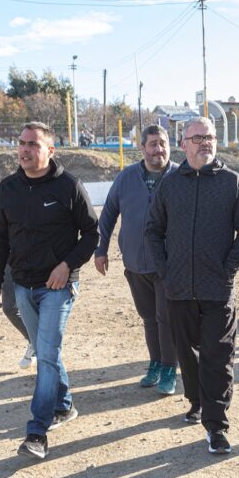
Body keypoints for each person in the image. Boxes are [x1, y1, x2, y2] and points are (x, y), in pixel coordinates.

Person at [145, 116, 239, 455]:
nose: (204, 142)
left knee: (218, 356)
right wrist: (166, 270)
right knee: (187, 352)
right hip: (177, 289)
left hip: (218, 289)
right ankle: (196, 400)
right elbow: (153, 230)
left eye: (209, 137)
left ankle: (217, 424)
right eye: (197, 138)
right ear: (184, 144)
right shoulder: (170, 184)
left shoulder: (232, 183)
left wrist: (228, 270)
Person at [0, 121, 99, 460]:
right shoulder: (8, 187)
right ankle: (64, 405)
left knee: (46, 355)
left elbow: (92, 234)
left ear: (50, 151)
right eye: (21, 143)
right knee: (45, 351)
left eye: (33, 144)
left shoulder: (69, 186)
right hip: (23, 285)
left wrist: (67, 266)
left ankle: (37, 432)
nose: (24, 149)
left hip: (59, 288)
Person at [95, 125, 180, 394]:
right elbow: (109, 213)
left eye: (163, 143)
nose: (159, 149)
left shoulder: (181, 176)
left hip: (169, 265)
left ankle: (169, 368)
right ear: (142, 148)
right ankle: (155, 363)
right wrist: (101, 249)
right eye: (153, 144)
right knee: (148, 317)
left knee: (166, 317)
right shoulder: (126, 178)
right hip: (134, 262)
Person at [1, 266, 35, 369]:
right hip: (9, 258)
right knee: (9, 307)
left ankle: (40, 347)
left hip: (38, 257)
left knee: (37, 302)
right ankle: (34, 341)